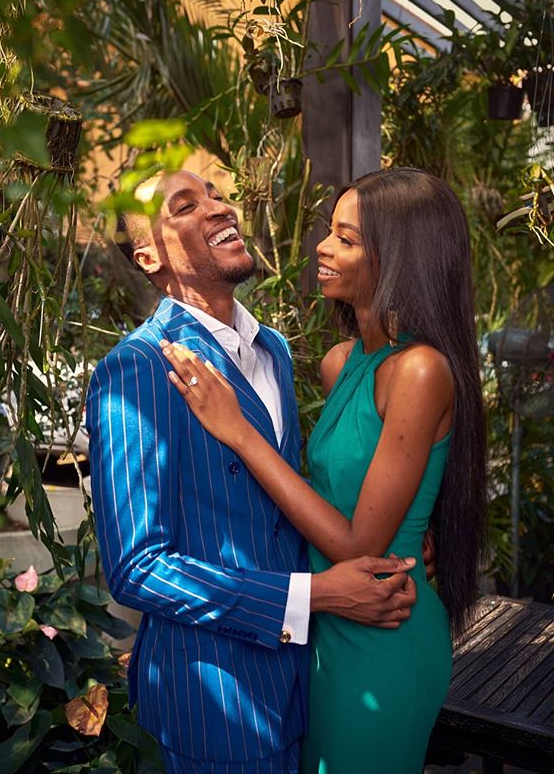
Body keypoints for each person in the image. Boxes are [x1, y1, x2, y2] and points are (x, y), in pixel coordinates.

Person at [86, 170, 423, 774]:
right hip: (217, 701)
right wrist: (317, 595)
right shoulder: (139, 367)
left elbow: (275, 502)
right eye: (185, 207)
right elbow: (137, 569)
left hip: (308, 682)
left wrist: (395, 535)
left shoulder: (273, 349)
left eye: (215, 194)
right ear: (149, 257)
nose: (218, 208)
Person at [161, 167, 487, 774]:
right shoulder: (341, 363)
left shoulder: (420, 371)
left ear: (400, 257)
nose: (323, 248)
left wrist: (238, 431)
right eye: (330, 231)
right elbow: (332, 493)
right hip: (328, 626)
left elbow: (361, 543)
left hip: (383, 629)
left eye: (347, 238)